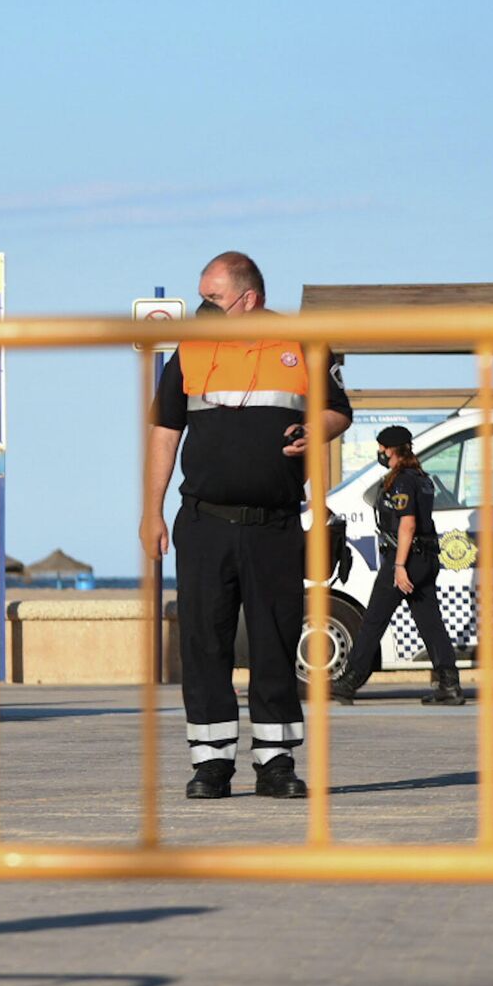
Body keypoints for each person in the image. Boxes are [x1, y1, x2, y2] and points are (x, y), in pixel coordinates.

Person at [142, 251, 353, 800]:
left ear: (248, 299)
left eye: (212, 299)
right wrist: (151, 511)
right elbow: (164, 433)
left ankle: (276, 763)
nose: (201, 308)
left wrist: (319, 427)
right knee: (204, 643)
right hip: (203, 524)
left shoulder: (302, 344)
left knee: (274, 642)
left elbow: (338, 409)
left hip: (275, 525)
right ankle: (210, 764)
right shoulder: (188, 350)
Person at [331, 425, 463, 706]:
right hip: (425, 558)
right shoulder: (421, 477)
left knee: (374, 620)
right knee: (430, 622)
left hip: (406, 558)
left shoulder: (403, 480)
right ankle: (449, 684)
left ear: (391, 449)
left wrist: (400, 566)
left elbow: (408, 524)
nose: (379, 451)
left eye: (381, 447)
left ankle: (348, 681)